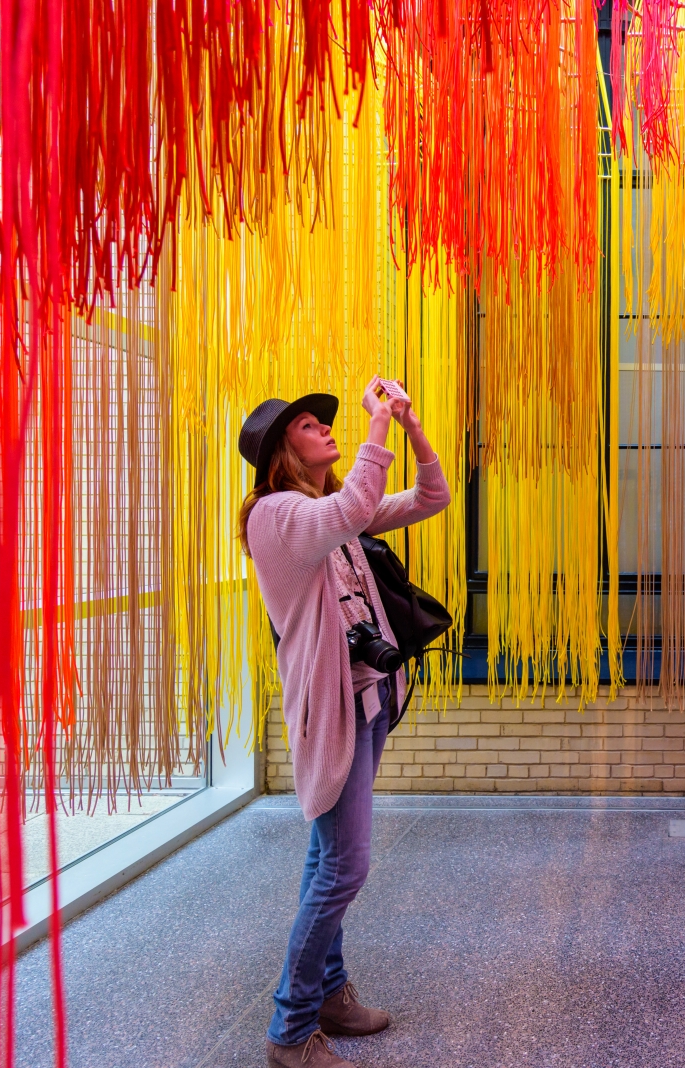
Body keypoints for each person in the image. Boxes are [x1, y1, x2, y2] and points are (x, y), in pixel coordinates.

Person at [237, 379, 451, 1068]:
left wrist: (410, 427)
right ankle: (291, 1030)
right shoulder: (277, 514)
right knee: (345, 866)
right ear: (281, 451)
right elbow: (358, 502)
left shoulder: (326, 513)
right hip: (334, 706)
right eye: (309, 425)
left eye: (325, 423)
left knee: (328, 857)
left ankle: (328, 994)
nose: (327, 429)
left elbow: (432, 498)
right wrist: (377, 423)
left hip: (368, 696)